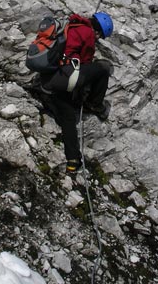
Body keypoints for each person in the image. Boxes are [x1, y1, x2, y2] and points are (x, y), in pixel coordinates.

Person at [40, 12, 114, 174]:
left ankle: (73, 161)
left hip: (49, 82)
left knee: (68, 116)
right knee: (103, 68)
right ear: (98, 31)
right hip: (66, 77)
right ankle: (94, 105)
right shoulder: (87, 32)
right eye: (99, 36)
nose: (97, 39)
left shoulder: (70, 25)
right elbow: (85, 61)